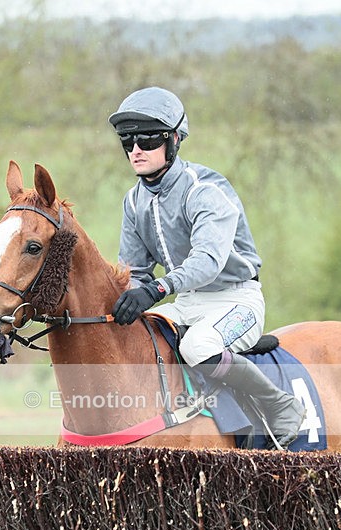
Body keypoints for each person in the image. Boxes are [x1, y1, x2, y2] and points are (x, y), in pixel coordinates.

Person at [108, 86, 305, 449]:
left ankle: (281, 405)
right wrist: (128, 295)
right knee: (141, 334)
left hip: (236, 300)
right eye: (128, 140)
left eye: (149, 139)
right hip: (189, 302)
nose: (136, 149)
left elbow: (208, 262)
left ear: (174, 140)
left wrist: (157, 289)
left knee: (198, 346)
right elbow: (135, 269)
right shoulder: (133, 201)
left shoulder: (206, 189)